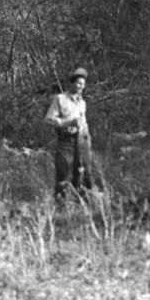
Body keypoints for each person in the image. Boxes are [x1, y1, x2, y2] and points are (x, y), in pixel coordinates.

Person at [45, 67, 94, 201]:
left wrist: (87, 139)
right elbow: (49, 119)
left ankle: (81, 204)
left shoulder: (82, 102)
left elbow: (83, 122)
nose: (81, 87)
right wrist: (68, 123)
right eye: (78, 83)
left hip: (82, 141)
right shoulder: (60, 99)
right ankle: (61, 205)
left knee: (83, 173)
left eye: (83, 84)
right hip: (66, 141)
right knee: (63, 174)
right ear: (72, 83)